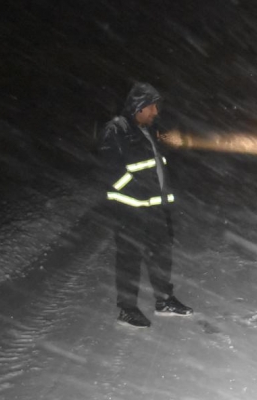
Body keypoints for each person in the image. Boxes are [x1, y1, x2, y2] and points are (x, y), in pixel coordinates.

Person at [98, 82, 193, 328]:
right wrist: (138, 189)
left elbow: (155, 166)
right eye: (151, 107)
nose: (155, 112)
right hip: (131, 208)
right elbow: (111, 173)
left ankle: (164, 300)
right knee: (130, 258)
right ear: (137, 106)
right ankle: (127, 309)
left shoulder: (146, 130)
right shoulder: (116, 129)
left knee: (161, 255)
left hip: (155, 207)